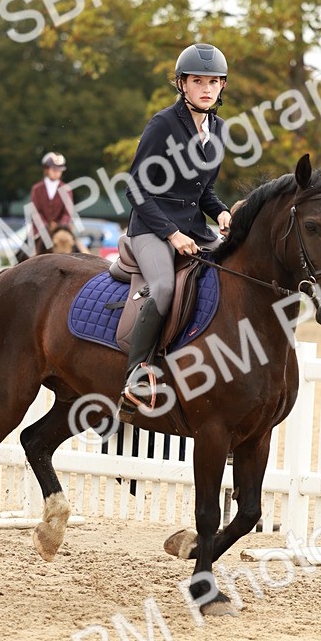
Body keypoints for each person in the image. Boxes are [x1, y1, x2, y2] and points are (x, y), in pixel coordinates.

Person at [119, 42, 232, 414]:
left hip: (195, 228)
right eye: (197, 80)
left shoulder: (219, 130)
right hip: (152, 227)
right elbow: (135, 187)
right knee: (165, 287)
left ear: (222, 87)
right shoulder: (163, 124)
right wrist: (171, 233)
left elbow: (204, 191)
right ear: (182, 84)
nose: (206, 88)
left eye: (213, 82)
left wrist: (223, 214)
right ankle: (136, 374)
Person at [29, 151, 74, 250]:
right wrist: (46, 226)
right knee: (22, 254)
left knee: (80, 250)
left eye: (59, 170)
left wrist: (60, 225)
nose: (56, 172)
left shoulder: (66, 189)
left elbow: (68, 212)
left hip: (61, 229)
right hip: (40, 230)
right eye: (53, 169)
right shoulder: (37, 189)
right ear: (46, 169)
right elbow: (35, 211)